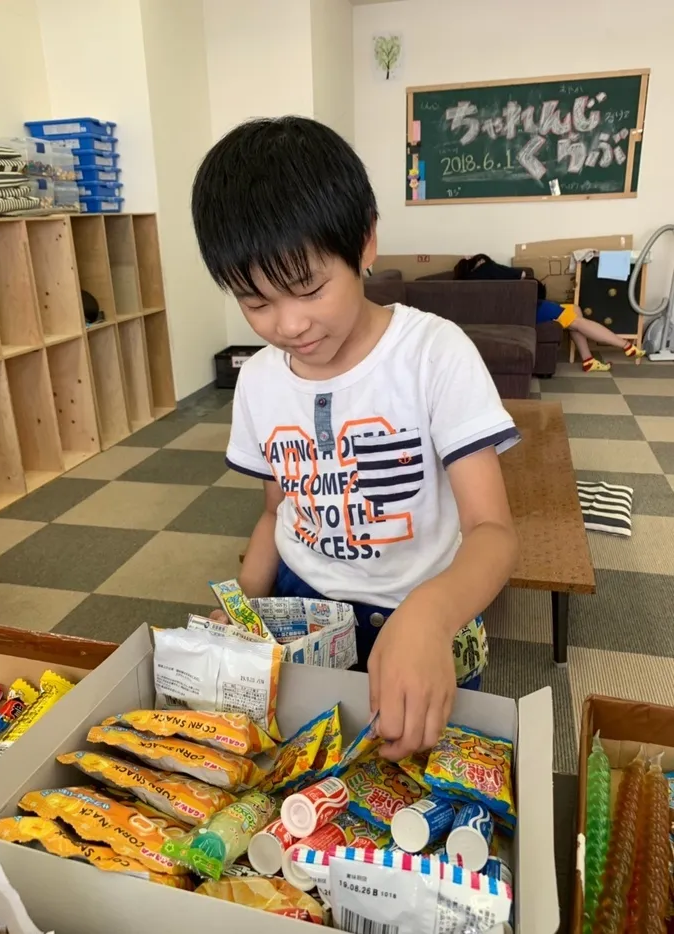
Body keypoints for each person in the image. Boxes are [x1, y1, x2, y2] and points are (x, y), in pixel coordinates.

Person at [192, 117, 519, 761]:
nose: (288, 324)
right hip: (300, 612)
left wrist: (429, 616)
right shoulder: (258, 381)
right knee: (301, 783)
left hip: (427, 612)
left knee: (416, 789)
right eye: (254, 303)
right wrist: (241, 613)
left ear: (366, 241)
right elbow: (276, 511)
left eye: (310, 288)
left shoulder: (433, 355)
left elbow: (494, 533)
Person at [453, 254, 646, 372]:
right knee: (576, 321)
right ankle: (625, 345)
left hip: (525, 309)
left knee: (575, 311)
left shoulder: (470, 283)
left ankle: (588, 360)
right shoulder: (488, 268)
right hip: (532, 308)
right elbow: (520, 276)